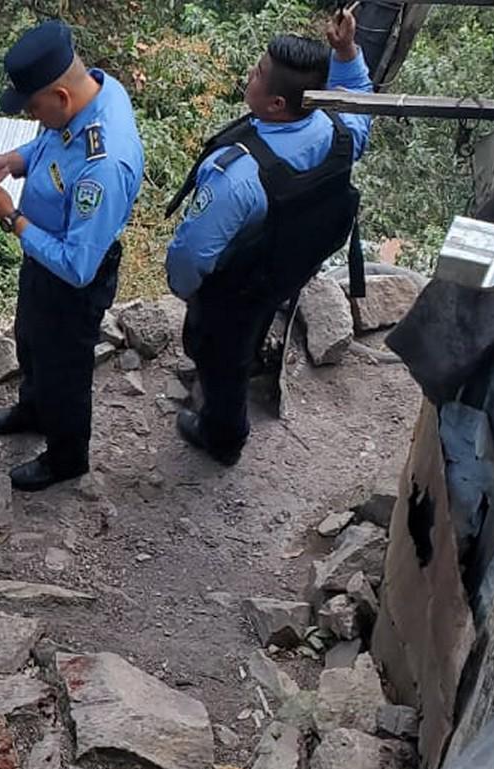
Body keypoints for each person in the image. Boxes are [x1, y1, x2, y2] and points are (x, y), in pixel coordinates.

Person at [164, 9, 372, 466]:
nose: (249, 75)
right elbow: (359, 96)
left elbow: (192, 256)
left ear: (277, 104)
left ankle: (224, 437)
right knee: (251, 326)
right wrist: (345, 52)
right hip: (292, 268)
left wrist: (188, 293)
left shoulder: (236, 176)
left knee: (218, 353)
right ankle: (251, 358)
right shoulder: (340, 133)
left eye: (257, 72)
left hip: (238, 288)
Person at [0, 19, 145, 492]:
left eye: (34, 107)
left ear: (60, 96)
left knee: (65, 371)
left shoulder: (104, 166)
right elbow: (51, 140)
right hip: (41, 257)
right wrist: (12, 161)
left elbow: (78, 267)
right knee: (31, 339)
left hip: (72, 277)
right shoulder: (94, 88)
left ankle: (66, 457)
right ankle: (34, 409)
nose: (32, 117)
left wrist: (10, 217)